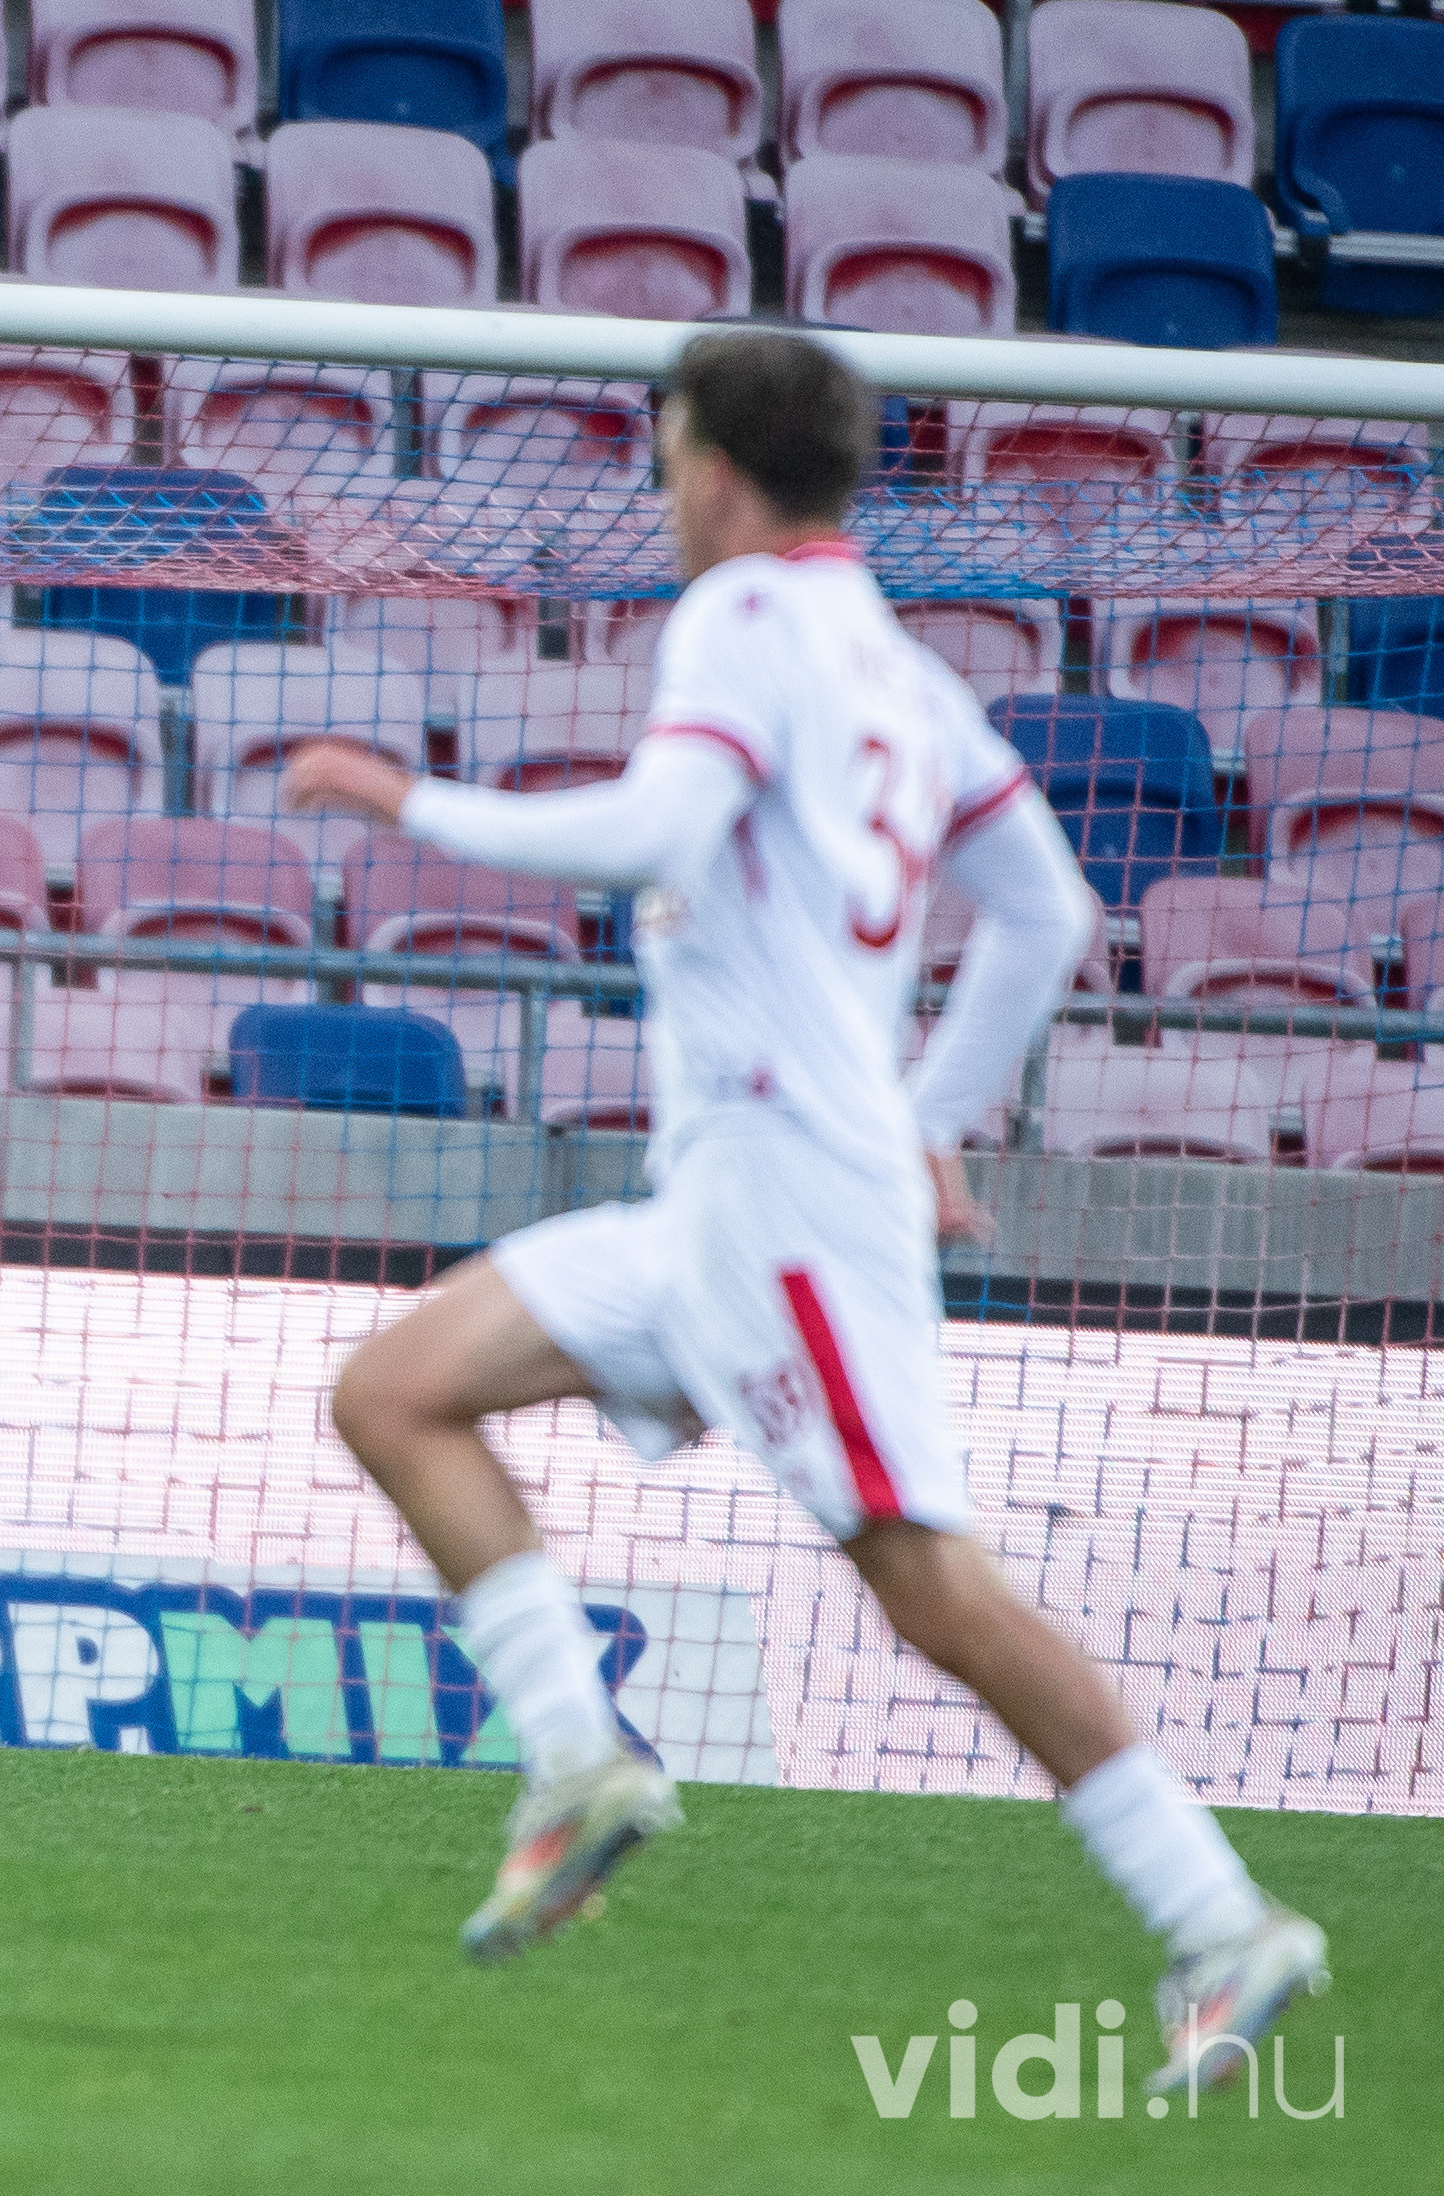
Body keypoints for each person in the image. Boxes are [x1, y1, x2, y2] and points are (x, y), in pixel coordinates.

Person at [284, 331, 1327, 2095]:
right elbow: (1046, 913)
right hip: (728, 1189)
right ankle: (575, 1760)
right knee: (394, 1392)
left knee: (925, 1584)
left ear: (708, 471)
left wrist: (409, 801)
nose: (659, 492)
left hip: (783, 1199)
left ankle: (1218, 1920)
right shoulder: (896, 665)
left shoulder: (742, 617)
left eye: (662, 458)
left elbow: (655, 826)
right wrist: (922, 1120)